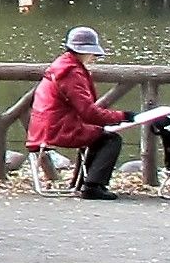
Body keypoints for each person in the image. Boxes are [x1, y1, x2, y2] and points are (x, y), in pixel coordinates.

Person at [30, 25, 130, 199]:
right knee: (110, 138)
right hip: (58, 128)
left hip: (45, 126)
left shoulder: (62, 65)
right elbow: (89, 113)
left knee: (97, 134)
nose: (94, 57)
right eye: (92, 53)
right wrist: (124, 116)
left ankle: (85, 182)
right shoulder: (71, 73)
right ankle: (93, 185)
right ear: (83, 52)